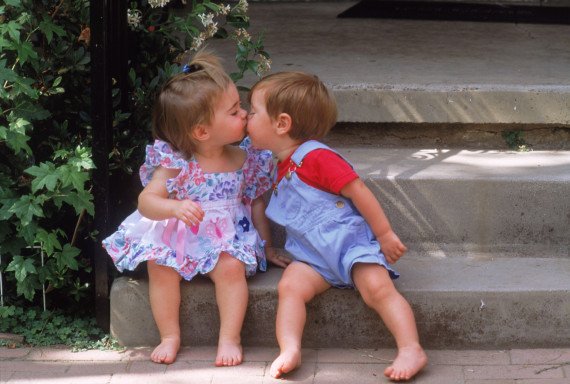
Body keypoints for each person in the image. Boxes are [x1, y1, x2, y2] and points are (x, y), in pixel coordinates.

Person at [102, 51, 290, 367]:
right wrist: (173, 207)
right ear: (202, 131)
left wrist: (267, 246)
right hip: (180, 237)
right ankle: (169, 335)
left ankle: (230, 337)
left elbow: (256, 202)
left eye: (240, 108)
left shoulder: (245, 158)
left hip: (225, 238)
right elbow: (146, 202)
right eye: (234, 112)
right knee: (160, 268)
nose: (244, 114)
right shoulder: (177, 162)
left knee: (231, 269)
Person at [246, 71, 428, 381]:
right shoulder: (278, 162)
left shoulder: (317, 157)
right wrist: (270, 248)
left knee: (378, 289)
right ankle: (289, 348)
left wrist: (384, 235)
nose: (246, 118)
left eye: (251, 112)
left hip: (349, 246)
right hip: (312, 256)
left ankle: (411, 348)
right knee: (290, 287)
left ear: (282, 124)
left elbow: (358, 190)